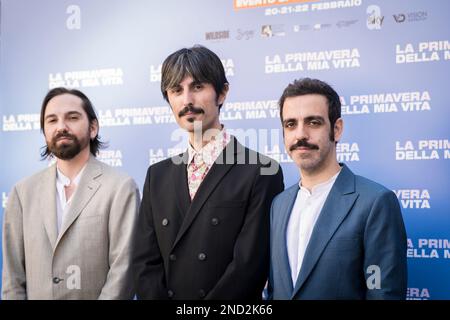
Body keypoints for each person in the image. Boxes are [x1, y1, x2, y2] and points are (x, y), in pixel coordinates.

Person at [133, 45, 284, 300]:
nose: (187, 100)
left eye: (198, 87)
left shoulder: (261, 171)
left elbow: (249, 266)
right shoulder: (156, 176)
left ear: (222, 93)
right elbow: (144, 263)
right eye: (176, 90)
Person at [268, 78, 407, 299]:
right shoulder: (279, 204)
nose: (300, 134)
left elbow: (383, 293)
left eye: (313, 122)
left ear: (337, 128)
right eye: (290, 124)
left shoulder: (375, 202)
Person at [2, 87, 140, 299]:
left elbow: (123, 271)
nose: (61, 127)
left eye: (72, 117)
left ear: (93, 128)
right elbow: (13, 280)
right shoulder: (22, 193)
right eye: (51, 120)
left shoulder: (120, 187)